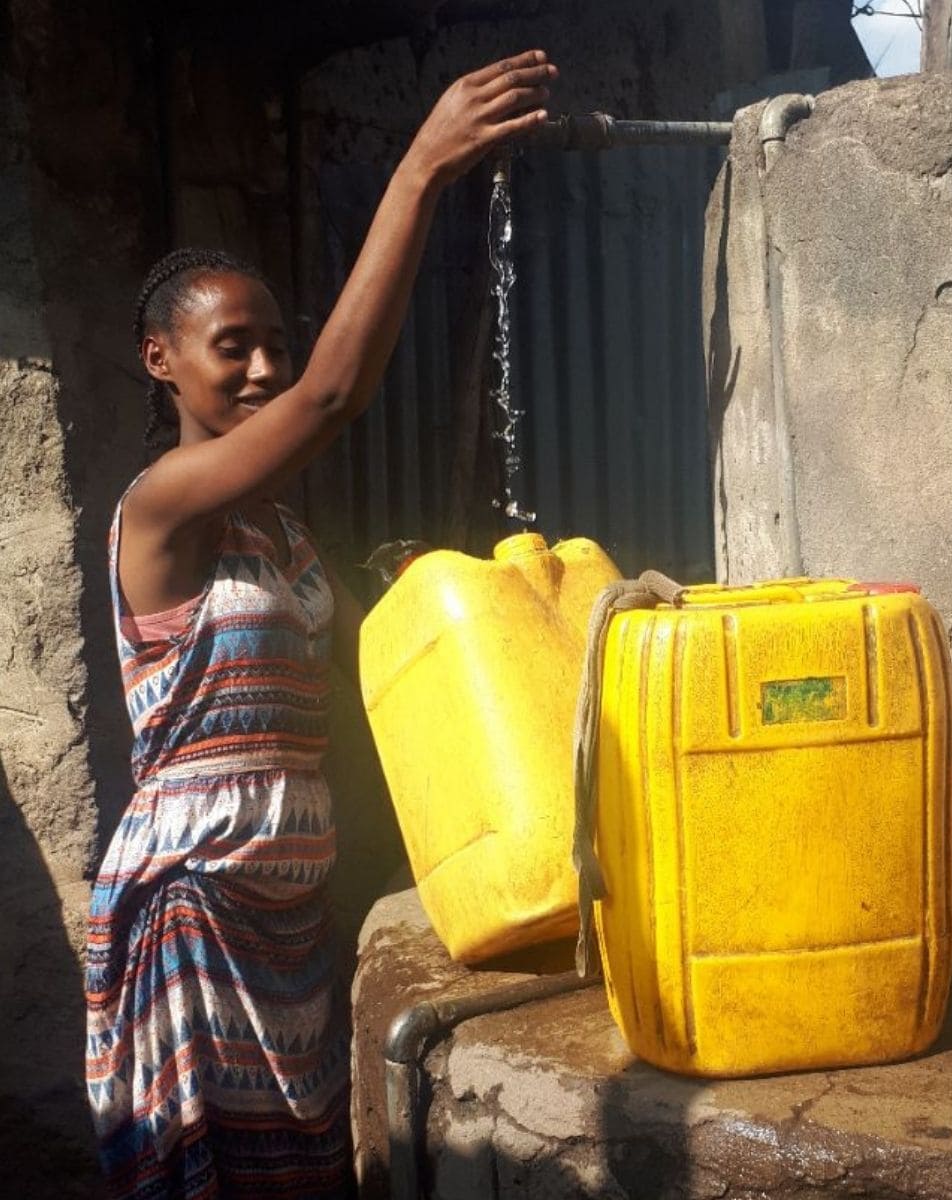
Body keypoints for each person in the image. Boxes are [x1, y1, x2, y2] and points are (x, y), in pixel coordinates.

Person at [84, 50, 557, 1199]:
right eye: (228, 347)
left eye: (271, 346)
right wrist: (422, 168)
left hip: (296, 927)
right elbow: (332, 399)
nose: (258, 368)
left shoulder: (286, 543)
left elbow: (394, 674)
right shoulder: (160, 513)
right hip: (194, 916)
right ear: (161, 362)